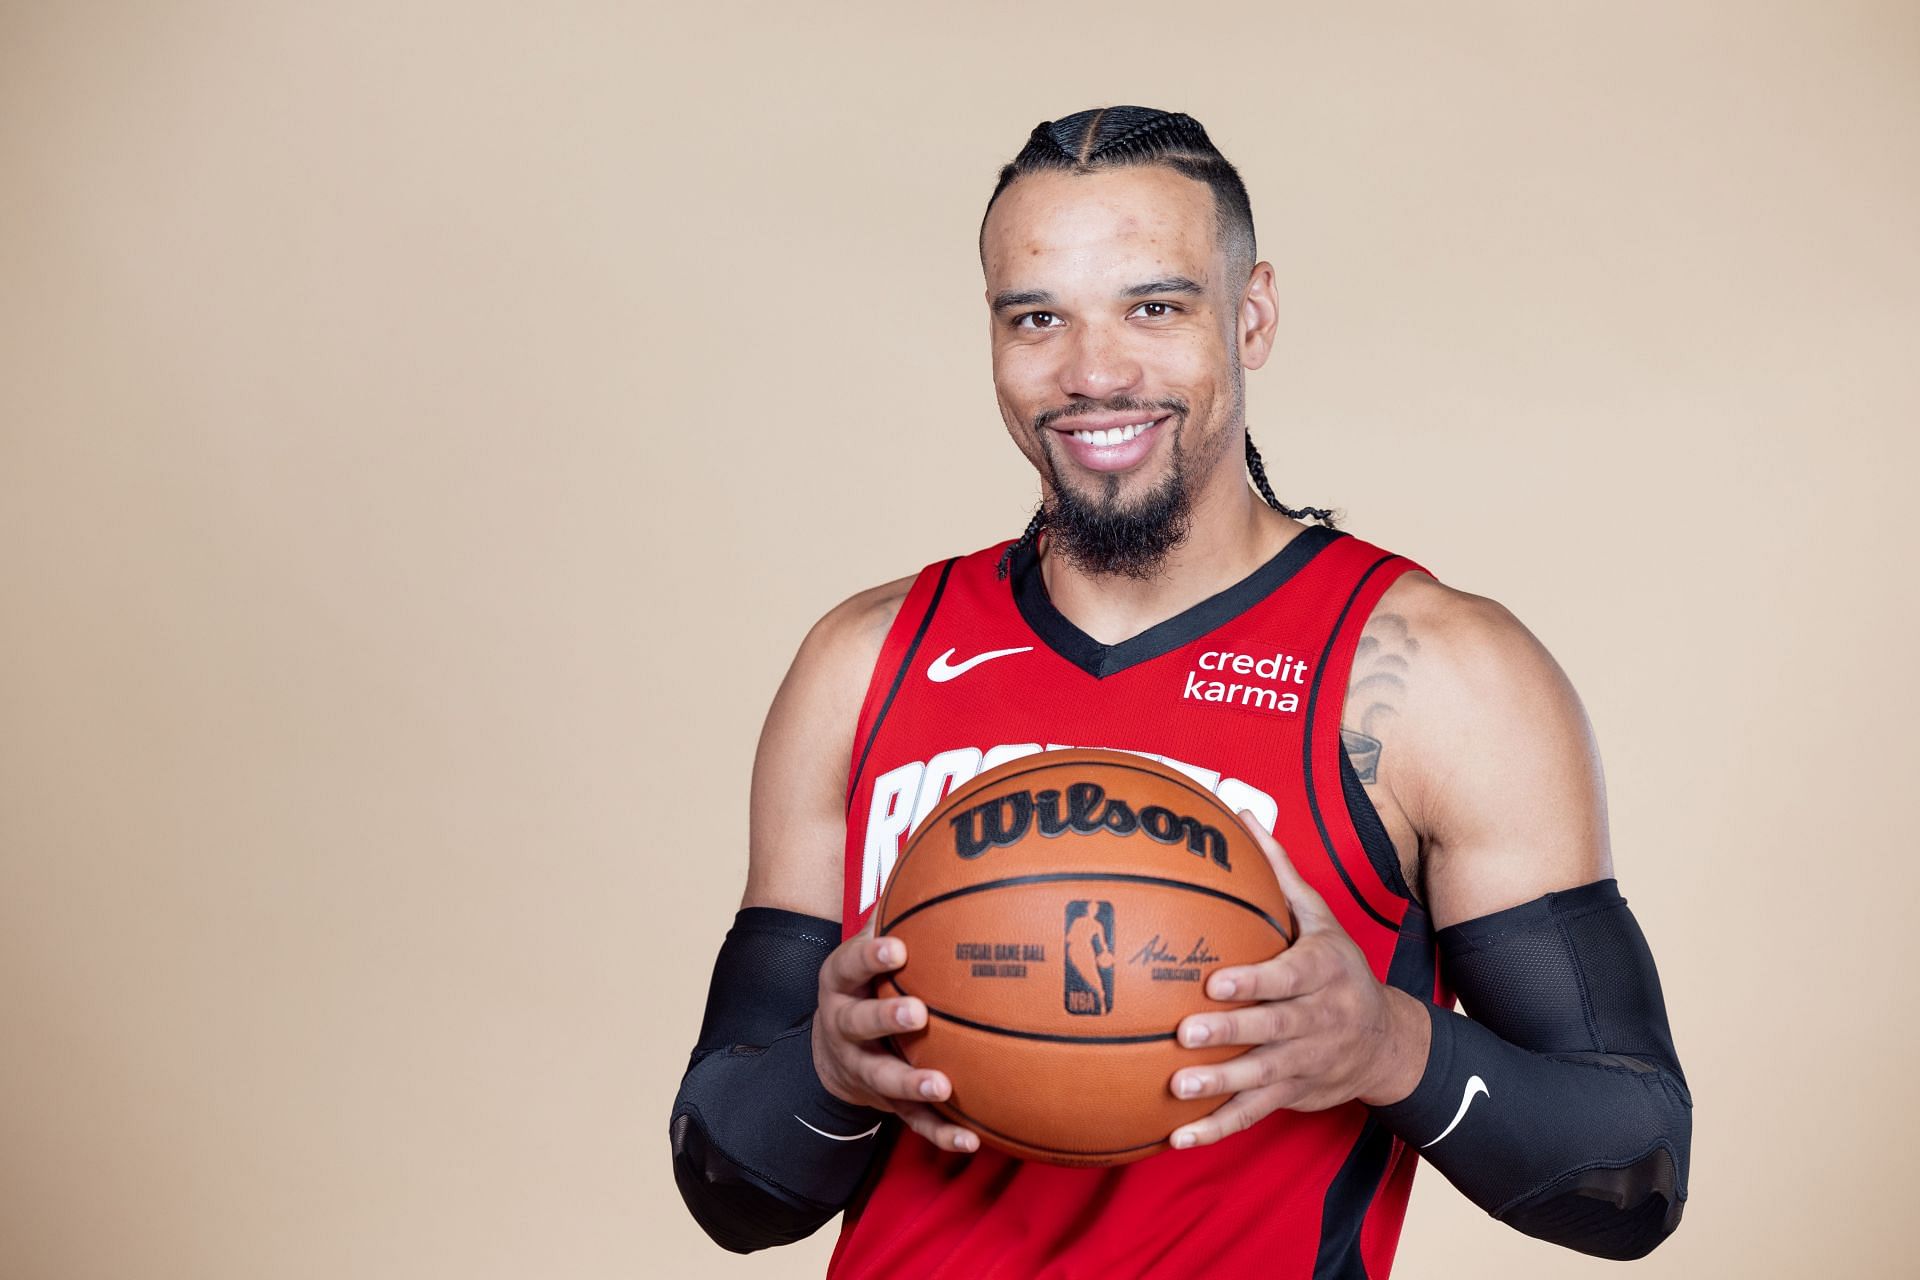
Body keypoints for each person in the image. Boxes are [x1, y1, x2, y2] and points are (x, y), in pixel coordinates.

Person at [670, 106, 1692, 1277]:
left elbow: (1634, 1174)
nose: (1093, 372)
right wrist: (830, 1071)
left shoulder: (1428, 675)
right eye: (1037, 318)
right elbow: (728, 1187)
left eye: (1155, 307)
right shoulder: (867, 659)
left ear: (1249, 315)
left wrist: (1389, 1047)